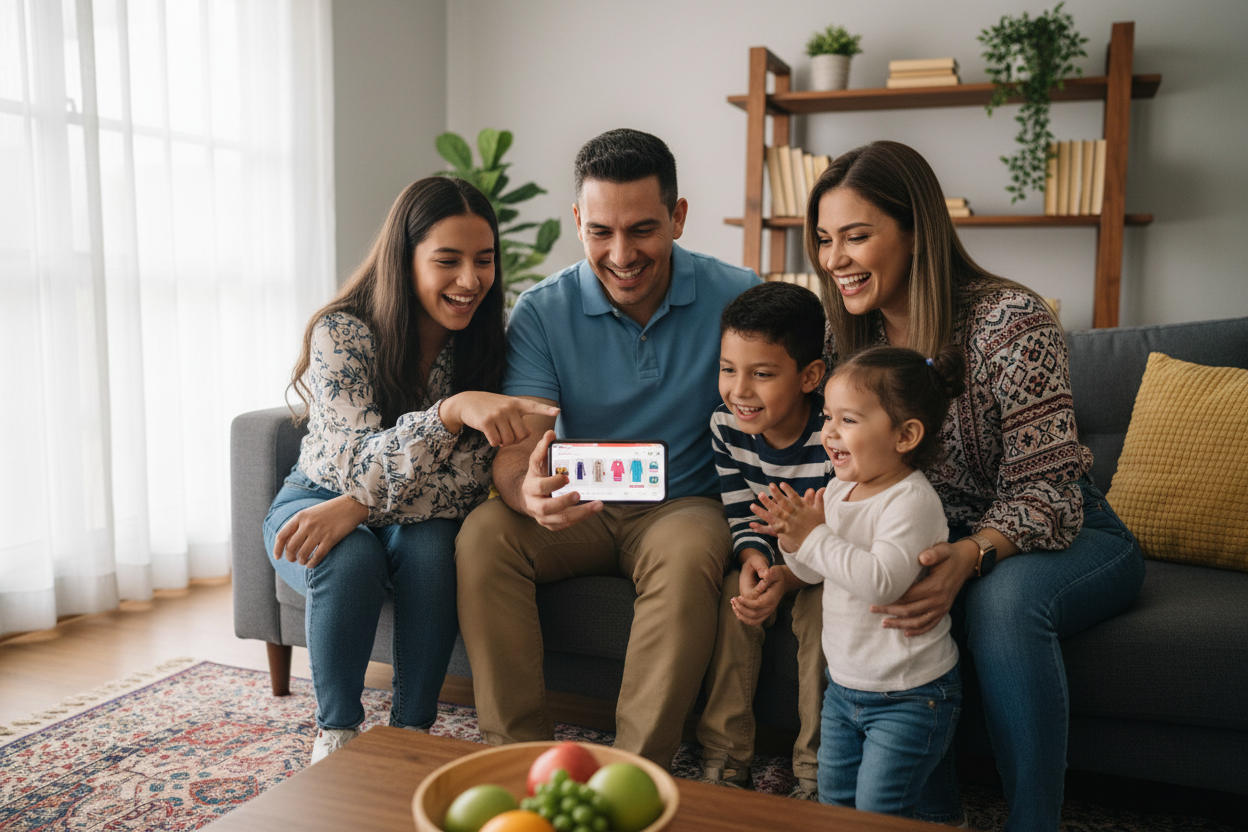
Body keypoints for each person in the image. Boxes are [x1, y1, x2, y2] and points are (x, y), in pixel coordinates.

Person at [804, 140, 1145, 830]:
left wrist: (971, 555)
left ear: (915, 232)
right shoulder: (849, 340)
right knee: (886, 596)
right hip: (936, 534)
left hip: (1068, 529)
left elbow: (1049, 489)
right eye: (823, 239)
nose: (834, 258)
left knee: (1000, 604)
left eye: (856, 236)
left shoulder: (1010, 323)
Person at [454, 128, 760, 768]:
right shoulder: (542, 310)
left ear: (678, 218)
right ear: (577, 223)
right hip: (580, 502)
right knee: (485, 534)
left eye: (642, 229)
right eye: (601, 232)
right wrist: (525, 491)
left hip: (683, 505)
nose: (621, 254)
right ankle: (518, 759)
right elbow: (519, 448)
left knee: (688, 554)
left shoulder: (738, 297)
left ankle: (634, 769)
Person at [263, 177, 556, 764]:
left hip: (390, 510)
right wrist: (448, 415)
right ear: (405, 260)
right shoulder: (341, 333)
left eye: (484, 260)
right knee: (350, 555)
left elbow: (471, 483)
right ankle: (337, 733)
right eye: (448, 260)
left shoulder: (485, 346)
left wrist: (361, 506)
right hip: (315, 499)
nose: (471, 280)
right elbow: (352, 463)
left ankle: (410, 733)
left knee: (432, 549)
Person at [754, 344, 966, 817]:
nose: (829, 432)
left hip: (910, 695)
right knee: (835, 803)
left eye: (848, 420)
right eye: (828, 416)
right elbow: (813, 571)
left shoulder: (910, 501)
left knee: (877, 810)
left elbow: (881, 582)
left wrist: (816, 535)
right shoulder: (838, 489)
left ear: (905, 435)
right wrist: (793, 540)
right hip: (844, 687)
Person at [694, 281, 828, 799]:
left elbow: (843, 533)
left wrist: (792, 577)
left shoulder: (834, 432)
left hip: (829, 562)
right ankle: (724, 758)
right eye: (729, 369)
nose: (740, 390)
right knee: (736, 602)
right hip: (773, 557)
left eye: (763, 374)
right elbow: (739, 510)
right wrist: (753, 559)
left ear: (809, 376)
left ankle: (816, 767)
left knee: (823, 618)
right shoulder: (726, 427)